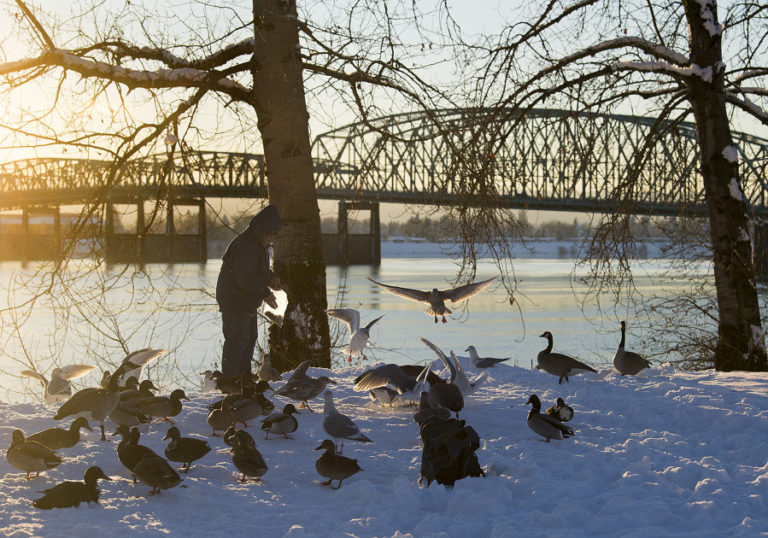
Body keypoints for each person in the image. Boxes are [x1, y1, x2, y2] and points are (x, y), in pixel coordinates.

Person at [216, 204, 282, 378]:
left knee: (249, 339)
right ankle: (231, 381)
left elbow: (258, 270)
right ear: (265, 230)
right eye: (273, 234)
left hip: (246, 301)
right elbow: (245, 278)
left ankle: (243, 379)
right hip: (234, 301)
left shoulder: (258, 243)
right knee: (237, 342)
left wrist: (271, 279)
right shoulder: (247, 246)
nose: (273, 238)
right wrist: (265, 293)